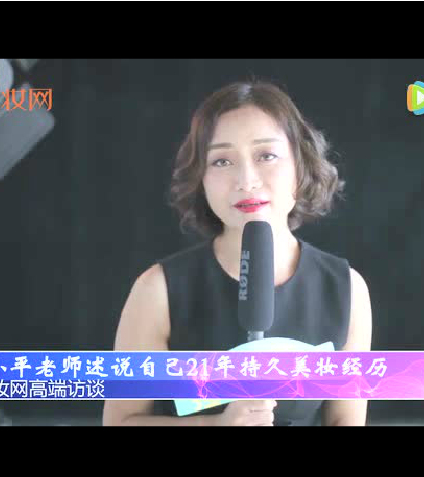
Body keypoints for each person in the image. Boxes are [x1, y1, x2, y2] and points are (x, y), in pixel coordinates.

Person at [103, 80, 372, 426]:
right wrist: (214, 424)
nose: (246, 180)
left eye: (266, 156)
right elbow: (121, 421)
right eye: (221, 161)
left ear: (300, 164)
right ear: (200, 177)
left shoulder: (346, 290)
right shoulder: (157, 290)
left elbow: (345, 421)